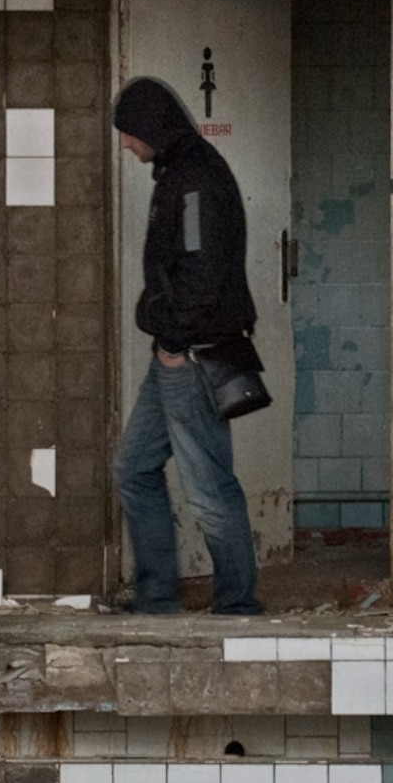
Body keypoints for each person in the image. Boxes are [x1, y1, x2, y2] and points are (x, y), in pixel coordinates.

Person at [112, 76, 264, 616]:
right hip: (175, 353)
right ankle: (156, 598)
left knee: (208, 488)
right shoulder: (181, 171)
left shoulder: (194, 180)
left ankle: (237, 605)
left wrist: (173, 344)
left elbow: (202, 276)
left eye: (129, 134)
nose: (126, 145)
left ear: (152, 127)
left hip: (191, 355)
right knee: (133, 469)